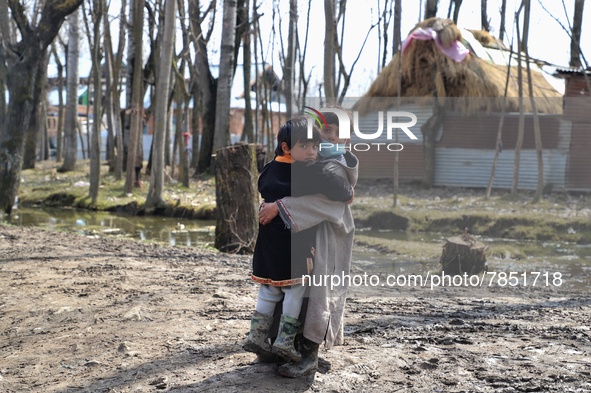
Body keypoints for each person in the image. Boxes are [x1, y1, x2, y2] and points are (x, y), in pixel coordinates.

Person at [244, 117, 354, 363]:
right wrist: (348, 193)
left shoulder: (271, 167)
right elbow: (338, 191)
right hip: (295, 245)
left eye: (314, 146)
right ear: (287, 147)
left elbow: (264, 187)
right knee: (295, 292)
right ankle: (284, 341)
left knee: (269, 290)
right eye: (326, 131)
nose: (314, 150)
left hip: (268, 246)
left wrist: (277, 205)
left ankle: (258, 335)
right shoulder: (310, 169)